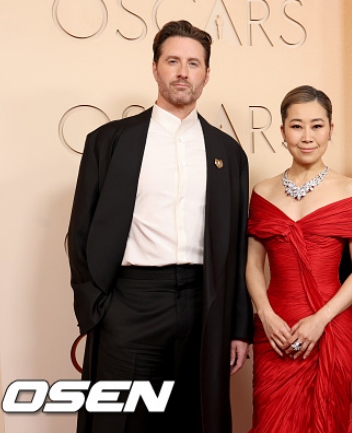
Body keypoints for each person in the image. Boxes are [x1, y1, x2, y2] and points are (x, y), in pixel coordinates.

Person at [67, 20, 252, 433]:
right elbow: (80, 232)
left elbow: (238, 250)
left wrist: (238, 328)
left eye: (193, 63)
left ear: (207, 73)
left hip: (204, 305)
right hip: (130, 304)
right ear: (155, 68)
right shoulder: (108, 142)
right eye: (173, 61)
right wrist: (97, 310)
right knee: (118, 422)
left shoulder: (228, 154)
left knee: (194, 419)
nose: (183, 72)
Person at [246, 85, 352, 433]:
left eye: (317, 125)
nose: (307, 136)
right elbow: (253, 265)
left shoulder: (350, 190)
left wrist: (320, 320)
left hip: (331, 327)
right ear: (282, 130)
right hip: (276, 329)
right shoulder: (262, 191)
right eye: (296, 126)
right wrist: (265, 315)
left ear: (331, 129)